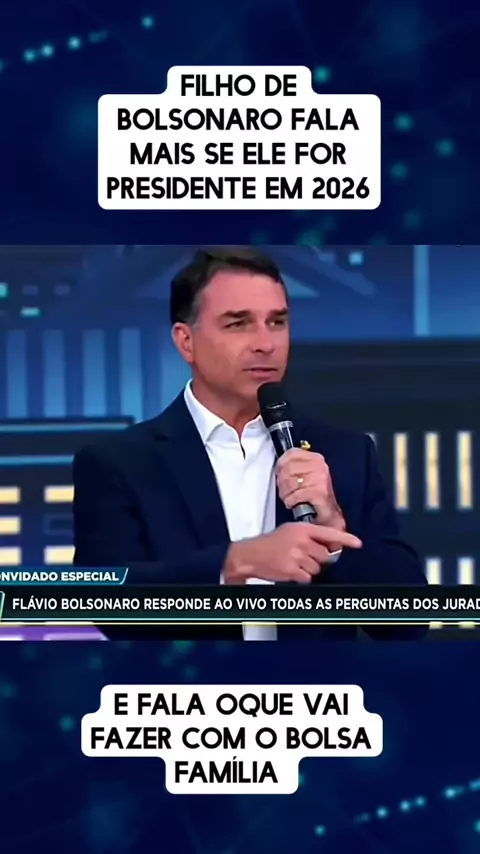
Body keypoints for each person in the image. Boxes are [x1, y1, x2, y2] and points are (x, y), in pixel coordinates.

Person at [73, 247, 427, 641]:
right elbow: (106, 603)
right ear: (186, 342)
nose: (265, 343)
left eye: (277, 322)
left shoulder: (344, 455)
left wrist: (334, 529)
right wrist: (234, 564)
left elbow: (407, 622)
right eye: (238, 323)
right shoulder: (120, 463)